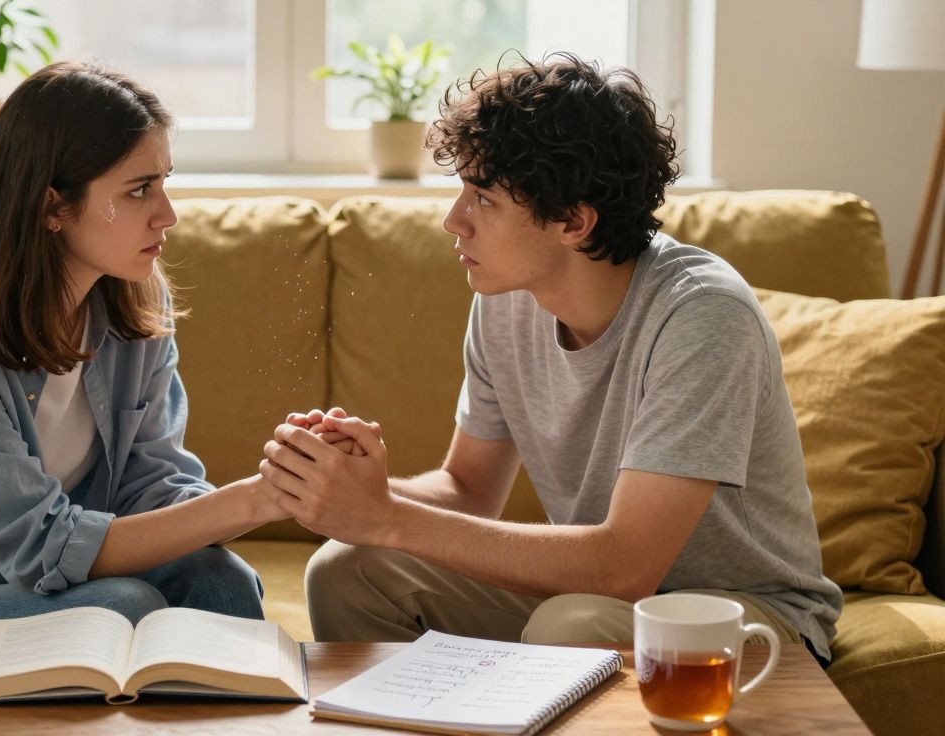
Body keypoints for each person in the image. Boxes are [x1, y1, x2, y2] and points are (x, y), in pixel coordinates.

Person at [259, 52, 842, 665]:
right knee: (347, 570)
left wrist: (387, 518)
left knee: (575, 623)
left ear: (572, 220)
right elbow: (467, 488)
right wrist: (357, 492)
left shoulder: (703, 316)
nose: (451, 220)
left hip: (749, 619)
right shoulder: (507, 301)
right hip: (600, 602)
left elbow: (624, 568)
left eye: (482, 198)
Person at [0, 62, 286, 638]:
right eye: (140, 190)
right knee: (119, 608)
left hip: (35, 586)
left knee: (220, 580)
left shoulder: (132, 296)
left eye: (164, 182)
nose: (168, 215)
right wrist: (251, 502)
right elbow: (41, 546)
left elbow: (153, 485)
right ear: (52, 207)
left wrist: (288, 482)